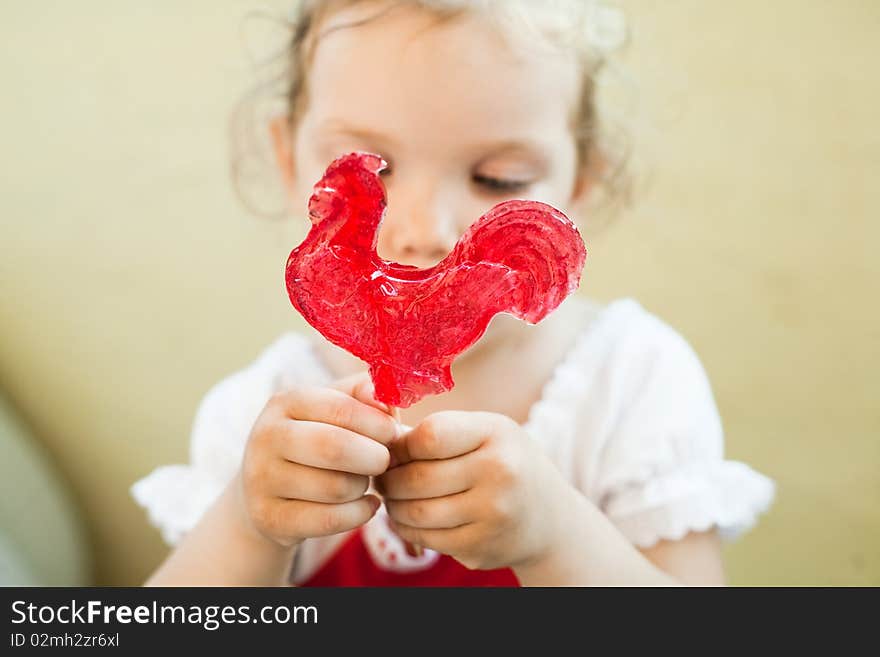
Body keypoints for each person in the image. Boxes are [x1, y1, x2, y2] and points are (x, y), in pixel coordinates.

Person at [131, 0, 774, 586]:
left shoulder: (632, 383)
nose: (425, 232)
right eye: (370, 166)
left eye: (498, 179)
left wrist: (554, 537)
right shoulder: (256, 411)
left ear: (583, 179)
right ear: (285, 156)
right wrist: (249, 525)